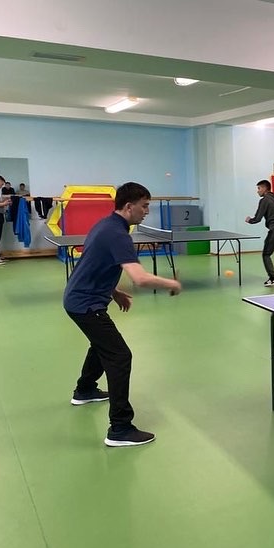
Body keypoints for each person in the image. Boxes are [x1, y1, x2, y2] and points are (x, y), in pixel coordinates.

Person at [64, 182, 182, 447]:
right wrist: (171, 284)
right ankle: (120, 428)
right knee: (119, 356)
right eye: (144, 206)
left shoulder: (105, 225)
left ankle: (85, 390)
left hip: (78, 298)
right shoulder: (118, 235)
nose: (147, 211)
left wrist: (114, 291)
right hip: (86, 304)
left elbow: (94, 264)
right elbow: (140, 278)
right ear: (129, 206)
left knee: (102, 345)